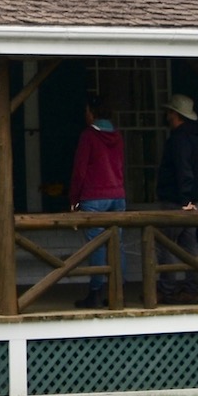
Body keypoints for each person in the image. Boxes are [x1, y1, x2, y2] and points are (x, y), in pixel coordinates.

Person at [155, 92, 198, 302]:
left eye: (169, 113)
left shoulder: (179, 140)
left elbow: (184, 171)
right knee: (190, 246)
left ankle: (167, 289)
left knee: (165, 243)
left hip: (178, 201)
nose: (166, 116)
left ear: (175, 115)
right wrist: (194, 199)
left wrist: (185, 201)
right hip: (196, 200)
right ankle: (192, 288)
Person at [68, 93, 127, 309]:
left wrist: (74, 199)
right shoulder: (118, 136)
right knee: (116, 244)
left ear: (92, 113)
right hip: (117, 194)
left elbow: (80, 170)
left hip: (94, 195)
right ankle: (118, 289)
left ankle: (96, 290)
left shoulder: (88, 136)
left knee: (97, 246)